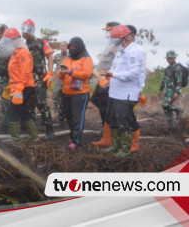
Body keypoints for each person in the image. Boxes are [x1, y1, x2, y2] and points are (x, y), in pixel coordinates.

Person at [99, 25, 146, 157]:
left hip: (127, 93)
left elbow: (134, 73)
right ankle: (116, 145)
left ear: (128, 37)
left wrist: (113, 75)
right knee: (113, 119)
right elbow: (115, 70)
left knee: (123, 121)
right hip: (114, 92)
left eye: (119, 40)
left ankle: (124, 149)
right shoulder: (120, 52)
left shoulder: (135, 52)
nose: (118, 44)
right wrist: (107, 78)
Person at [1, 28, 39, 142]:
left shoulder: (23, 53)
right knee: (22, 110)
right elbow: (16, 73)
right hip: (19, 86)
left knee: (11, 110)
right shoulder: (15, 53)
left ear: (14, 40)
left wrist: (19, 89)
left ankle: (15, 137)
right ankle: (34, 136)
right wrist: (11, 86)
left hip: (25, 87)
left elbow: (25, 72)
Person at [57, 37, 94, 150]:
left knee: (77, 117)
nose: (72, 49)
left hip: (80, 93)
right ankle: (73, 136)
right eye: (70, 47)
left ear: (79, 47)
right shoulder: (68, 58)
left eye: (74, 47)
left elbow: (86, 74)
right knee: (68, 116)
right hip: (66, 92)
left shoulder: (86, 58)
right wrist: (62, 73)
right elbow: (59, 74)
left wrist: (71, 72)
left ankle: (76, 141)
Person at [21, 19, 55, 139]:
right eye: (24, 30)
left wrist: (50, 72)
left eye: (28, 30)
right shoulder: (23, 45)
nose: (26, 33)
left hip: (40, 77)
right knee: (29, 104)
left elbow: (50, 56)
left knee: (41, 103)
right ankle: (31, 130)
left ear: (32, 31)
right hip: (28, 79)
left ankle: (50, 129)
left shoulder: (42, 42)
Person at [91, 21, 120, 145]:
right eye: (107, 31)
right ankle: (106, 129)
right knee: (96, 99)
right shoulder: (110, 43)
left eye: (110, 31)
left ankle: (110, 132)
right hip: (101, 78)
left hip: (109, 80)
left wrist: (110, 79)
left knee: (105, 104)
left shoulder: (119, 45)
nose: (107, 34)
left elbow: (118, 64)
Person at [158, 50, 185, 132]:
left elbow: (179, 81)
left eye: (171, 58)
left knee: (165, 104)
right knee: (166, 109)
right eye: (168, 58)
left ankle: (178, 110)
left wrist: (177, 92)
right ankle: (171, 126)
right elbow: (163, 80)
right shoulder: (166, 69)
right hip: (167, 91)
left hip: (173, 91)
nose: (169, 60)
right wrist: (160, 90)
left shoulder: (177, 68)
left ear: (174, 58)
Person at [52, 41, 68, 127]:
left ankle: (63, 117)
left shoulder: (70, 57)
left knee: (64, 99)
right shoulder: (57, 56)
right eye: (61, 46)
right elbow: (50, 61)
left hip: (67, 81)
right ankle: (53, 114)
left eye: (65, 46)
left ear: (67, 47)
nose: (63, 47)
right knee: (55, 96)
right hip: (58, 80)